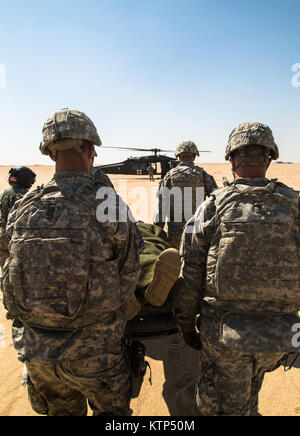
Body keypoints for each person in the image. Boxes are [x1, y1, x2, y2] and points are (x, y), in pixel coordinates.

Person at [1, 108, 143, 416]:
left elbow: (8, 267)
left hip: (38, 353)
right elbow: (129, 270)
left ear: (50, 152)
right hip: (96, 355)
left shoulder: (22, 207)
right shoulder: (108, 205)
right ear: (91, 149)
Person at [172, 122, 300, 416]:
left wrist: (185, 324)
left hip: (226, 338)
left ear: (231, 160)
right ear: (269, 158)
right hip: (282, 336)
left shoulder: (213, 206)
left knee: (223, 406)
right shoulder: (294, 204)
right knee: (250, 386)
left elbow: (190, 275)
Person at [154, 141, 217, 249]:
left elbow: (162, 205)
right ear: (194, 156)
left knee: (175, 262)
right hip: (197, 229)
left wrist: (157, 230)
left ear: (178, 157)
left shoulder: (169, 176)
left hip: (175, 231)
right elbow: (216, 200)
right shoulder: (203, 175)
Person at [0, 167, 36, 268]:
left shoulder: (3, 193)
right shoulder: (27, 196)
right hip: (16, 236)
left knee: (4, 267)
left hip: (2, 235)